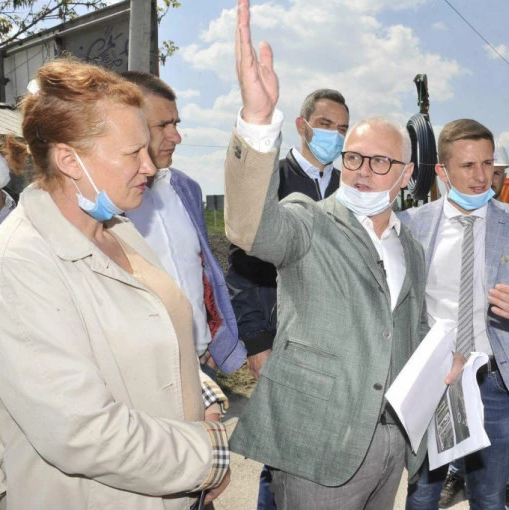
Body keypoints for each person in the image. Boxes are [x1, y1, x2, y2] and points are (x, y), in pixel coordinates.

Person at [226, 2, 463, 508]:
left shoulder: (409, 245)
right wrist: (258, 122)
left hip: (389, 443)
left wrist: (448, 358)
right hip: (318, 442)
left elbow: (410, 328)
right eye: (353, 158)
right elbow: (249, 228)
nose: (361, 171)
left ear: (406, 175)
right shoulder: (309, 220)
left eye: (380, 162)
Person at [0, 58, 231, 509]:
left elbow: (153, 337)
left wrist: (204, 396)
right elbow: (81, 431)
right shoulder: (15, 264)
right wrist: (208, 456)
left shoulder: (118, 229)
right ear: (69, 160)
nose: (149, 166)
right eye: (132, 153)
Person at [401, 119, 509, 510]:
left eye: (487, 163)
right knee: (422, 493)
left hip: (494, 385)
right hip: (433, 378)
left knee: (490, 496)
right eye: (467, 166)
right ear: (442, 171)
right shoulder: (412, 226)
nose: (482, 177)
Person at [225, 87, 348, 510]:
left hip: (335, 342)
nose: (335, 135)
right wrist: (256, 341)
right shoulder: (272, 178)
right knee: (282, 455)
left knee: (330, 449)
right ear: (302, 125)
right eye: (326, 124)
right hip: (283, 339)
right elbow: (241, 265)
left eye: (343, 129)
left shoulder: (348, 188)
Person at [121, 71, 246, 377]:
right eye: (163, 125)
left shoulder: (186, 189)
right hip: (145, 375)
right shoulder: (108, 202)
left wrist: (212, 338)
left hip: (201, 365)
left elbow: (202, 272)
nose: (176, 136)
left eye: (176, 124)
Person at [436, 141, 509, 510]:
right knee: (452, 431)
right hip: (446, 363)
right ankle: (457, 474)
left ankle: (501, 483)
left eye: (496, 171)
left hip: (494, 367)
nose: (487, 177)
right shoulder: (432, 223)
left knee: (493, 467)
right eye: (479, 167)